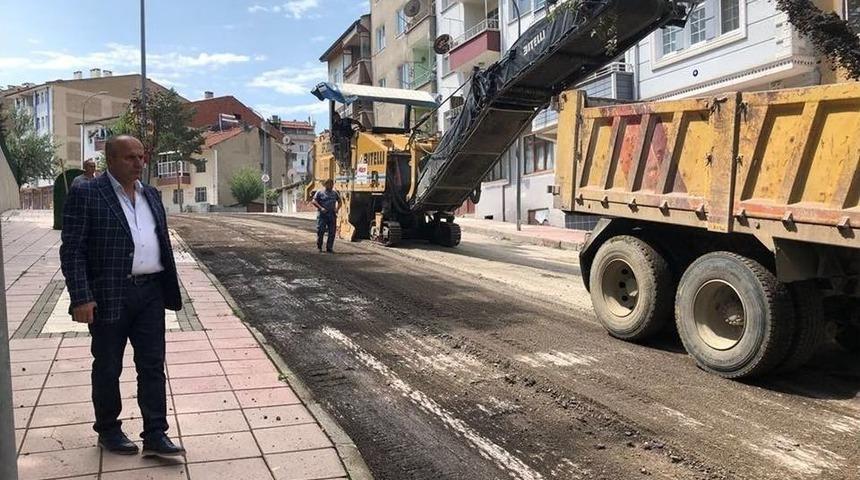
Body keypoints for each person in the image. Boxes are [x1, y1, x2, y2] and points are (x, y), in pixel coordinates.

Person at [60, 135, 184, 458]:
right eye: (130, 157)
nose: (139, 163)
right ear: (110, 160)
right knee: (108, 365)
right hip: (109, 294)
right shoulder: (87, 192)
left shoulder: (151, 194)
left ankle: (156, 433)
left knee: (153, 365)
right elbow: (72, 249)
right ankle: (108, 430)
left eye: (141, 157)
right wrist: (81, 297)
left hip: (150, 294)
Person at [311, 179, 342, 253]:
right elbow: (314, 201)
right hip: (322, 215)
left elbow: (340, 201)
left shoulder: (334, 193)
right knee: (321, 231)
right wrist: (321, 208)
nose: (331, 186)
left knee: (332, 232)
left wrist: (337, 209)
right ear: (325, 185)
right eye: (330, 184)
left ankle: (329, 248)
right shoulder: (320, 192)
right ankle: (319, 247)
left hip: (332, 215)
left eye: (332, 184)